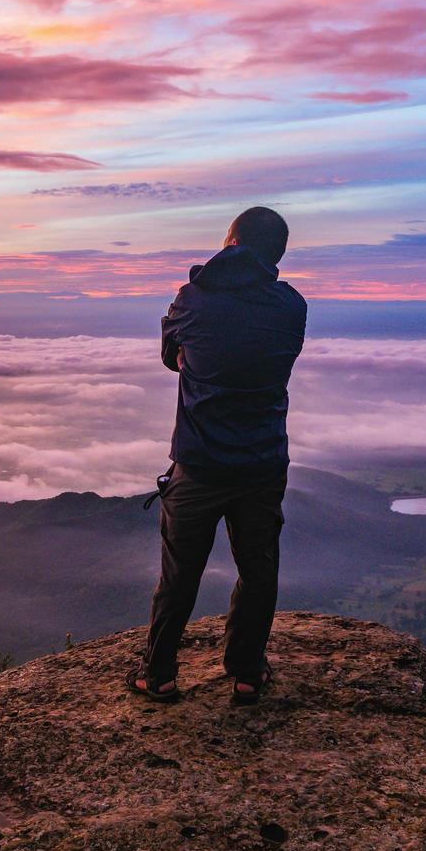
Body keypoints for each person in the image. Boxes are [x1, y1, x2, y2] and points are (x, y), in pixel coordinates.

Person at [128, 206, 307, 705]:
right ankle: (248, 670)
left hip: (200, 462)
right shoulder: (291, 306)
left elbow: (172, 357)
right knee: (258, 567)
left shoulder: (192, 299)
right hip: (263, 462)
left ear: (231, 243)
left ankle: (159, 673)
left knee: (179, 571)